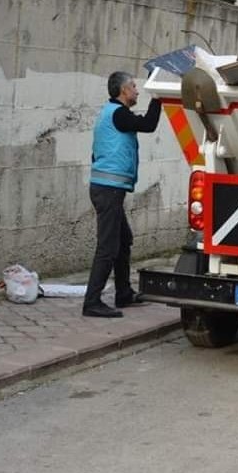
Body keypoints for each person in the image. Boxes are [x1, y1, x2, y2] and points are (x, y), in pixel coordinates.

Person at [83, 71, 162, 318]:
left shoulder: (114, 113)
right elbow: (149, 124)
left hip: (108, 189)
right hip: (107, 190)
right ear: (123, 91)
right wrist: (158, 96)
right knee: (108, 246)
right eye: (134, 87)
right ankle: (92, 302)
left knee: (124, 239)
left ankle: (123, 293)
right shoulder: (118, 114)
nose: (137, 91)